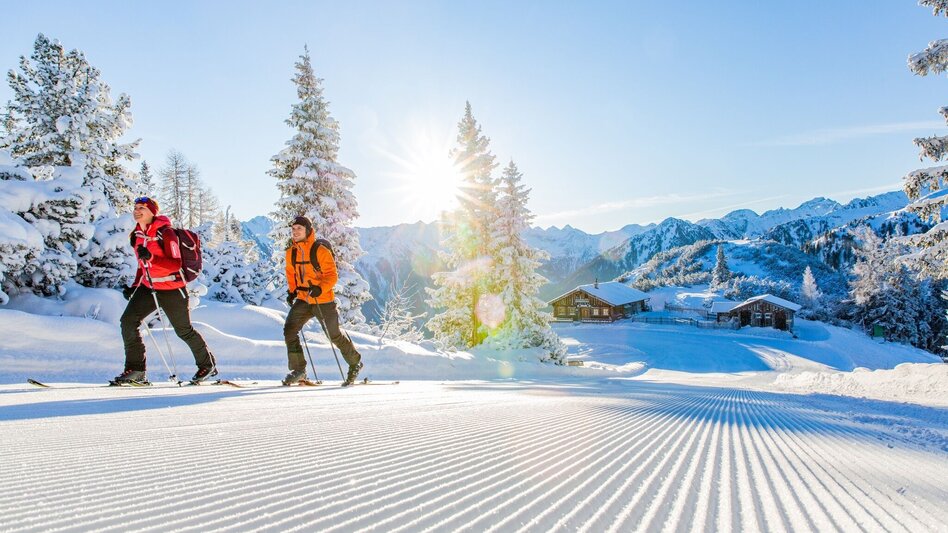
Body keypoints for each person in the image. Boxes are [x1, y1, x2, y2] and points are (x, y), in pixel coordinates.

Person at [115, 196, 217, 384]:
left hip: (172, 287)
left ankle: (207, 365)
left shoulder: (166, 233)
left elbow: (175, 263)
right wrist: (135, 286)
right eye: (135, 207)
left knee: (183, 330)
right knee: (128, 321)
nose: (137, 211)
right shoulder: (136, 235)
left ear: (153, 212)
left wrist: (152, 257)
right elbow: (142, 265)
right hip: (149, 286)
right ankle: (136, 370)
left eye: (142, 208)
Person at [282, 215, 363, 386]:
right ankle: (299, 370)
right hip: (304, 299)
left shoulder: (320, 250)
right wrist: (292, 292)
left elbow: (332, 276)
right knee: (290, 330)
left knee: (333, 335)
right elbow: (291, 274)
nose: (295, 232)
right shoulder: (291, 252)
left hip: (323, 299)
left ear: (308, 231)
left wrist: (320, 287)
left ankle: (355, 363)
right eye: (293, 229)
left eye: (299, 229)